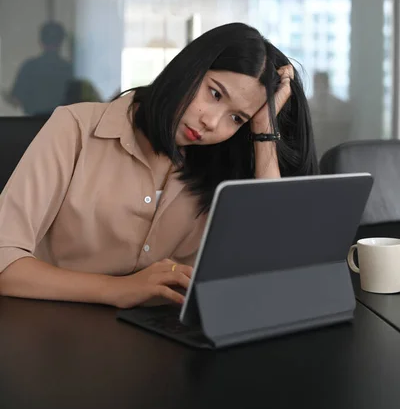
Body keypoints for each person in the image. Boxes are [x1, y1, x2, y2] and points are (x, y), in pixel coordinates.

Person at [0, 23, 317, 309]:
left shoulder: (223, 166)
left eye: (236, 118)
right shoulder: (75, 128)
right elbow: (5, 260)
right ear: (189, 68)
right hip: (52, 333)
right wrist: (116, 289)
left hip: (169, 346)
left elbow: (274, 267)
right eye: (215, 93)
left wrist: (264, 133)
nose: (211, 121)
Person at [2, 21, 73, 115]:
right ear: (60, 42)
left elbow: (16, 100)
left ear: (41, 41)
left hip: (34, 125)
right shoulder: (70, 70)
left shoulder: (29, 67)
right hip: (64, 125)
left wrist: (6, 95)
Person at [308, 71, 352, 158]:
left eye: (322, 83)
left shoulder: (340, 105)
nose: (320, 87)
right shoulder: (307, 104)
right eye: (317, 83)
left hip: (335, 148)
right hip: (314, 148)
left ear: (327, 84)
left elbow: (344, 128)